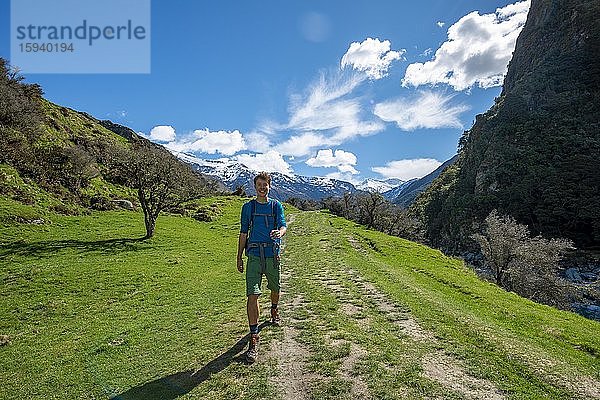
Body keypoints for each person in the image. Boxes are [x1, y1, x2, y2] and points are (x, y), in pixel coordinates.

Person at [237, 171, 287, 364]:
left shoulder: (276, 206)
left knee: (275, 288)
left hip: (272, 255)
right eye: (259, 185)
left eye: (265, 185)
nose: (262, 187)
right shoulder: (248, 207)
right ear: (255, 186)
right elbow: (243, 233)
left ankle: (274, 309)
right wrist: (239, 257)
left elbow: (283, 225)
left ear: (269, 186)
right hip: (255, 255)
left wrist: (280, 233)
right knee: (253, 295)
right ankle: (254, 337)